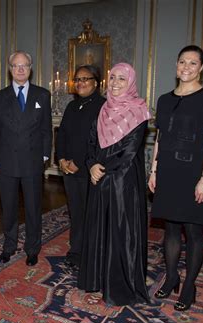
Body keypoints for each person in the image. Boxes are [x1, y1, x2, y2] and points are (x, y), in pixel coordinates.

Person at [148, 45, 203, 311]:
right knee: (170, 229)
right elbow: (159, 138)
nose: (186, 67)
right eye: (182, 62)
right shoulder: (164, 99)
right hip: (167, 170)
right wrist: (154, 169)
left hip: (193, 172)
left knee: (192, 232)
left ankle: (189, 286)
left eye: (193, 63)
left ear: (201, 68)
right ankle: (171, 278)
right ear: (176, 65)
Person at [77, 62, 151, 306]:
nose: (116, 83)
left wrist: (102, 168)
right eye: (113, 77)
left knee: (120, 232)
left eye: (122, 78)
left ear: (130, 82)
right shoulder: (102, 110)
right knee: (100, 229)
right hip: (99, 179)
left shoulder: (139, 111)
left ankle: (119, 285)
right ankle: (97, 279)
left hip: (123, 182)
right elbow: (90, 143)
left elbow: (129, 151)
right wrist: (91, 165)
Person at [0, 50, 52, 266]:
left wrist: (44, 156)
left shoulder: (42, 95)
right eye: (16, 66)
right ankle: (9, 246)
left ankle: (32, 248)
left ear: (30, 69)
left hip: (33, 162)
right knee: (9, 208)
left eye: (24, 65)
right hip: (6, 163)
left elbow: (46, 129)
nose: (20, 69)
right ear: (10, 69)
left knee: (33, 208)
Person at [56, 65, 105, 268]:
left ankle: (92, 253)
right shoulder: (71, 106)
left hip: (89, 170)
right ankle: (76, 250)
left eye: (86, 78)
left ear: (96, 82)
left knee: (91, 214)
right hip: (69, 170)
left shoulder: (103, 106)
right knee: (76, 212)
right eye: (77, 79)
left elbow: (97, 140)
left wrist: (78, 162)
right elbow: (63, 135)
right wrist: (61, 159)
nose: (81, 83)